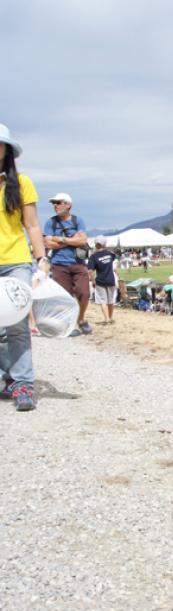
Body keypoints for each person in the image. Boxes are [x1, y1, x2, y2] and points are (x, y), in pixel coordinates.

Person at [0, 123, 47, 411]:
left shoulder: (22, 183)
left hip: (15, 261)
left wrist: (42, 258)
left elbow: (31, 224)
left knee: (16, 325)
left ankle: (22, 384)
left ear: (6, 150)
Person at [43, 192, 92, 335]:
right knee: (64, 297)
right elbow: (48, 244)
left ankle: (81, 319)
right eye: (54, 203)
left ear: (68, 205)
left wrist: (61, 239)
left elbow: (82, 241)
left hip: (78, 263)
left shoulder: (78, 221)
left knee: (84, 293)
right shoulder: (50, 222)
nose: (55, 206)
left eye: (58, 203)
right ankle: (69, 325)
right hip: (59, 265)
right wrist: (71, 240)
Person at [86, 236, 118, 324]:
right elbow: (115, 258)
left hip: (100, 281)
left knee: (103, 301)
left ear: (96, 244)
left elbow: (90, 271)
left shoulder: (93, 257)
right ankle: (110, 318)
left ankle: (107, 318)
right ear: (104, 244)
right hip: (111, 280)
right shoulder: (110, 254)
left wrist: (93, 281)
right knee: (111, 301)